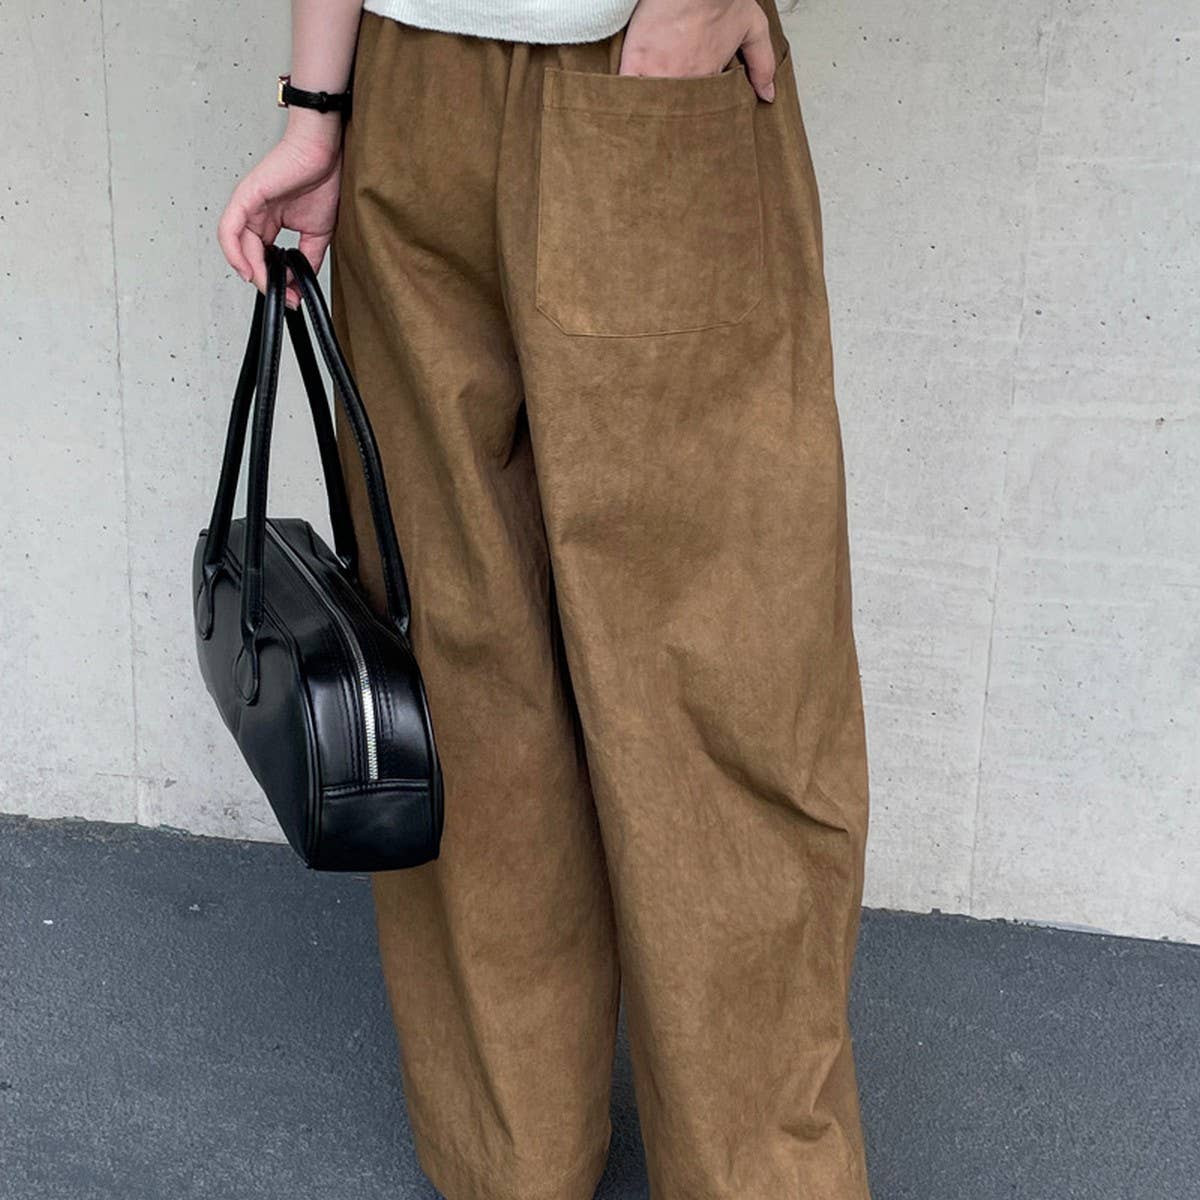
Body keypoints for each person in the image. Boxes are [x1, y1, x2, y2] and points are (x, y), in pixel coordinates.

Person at [217, 1, 873, 1196]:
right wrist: (317, 104)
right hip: (450, 78)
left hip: (547, 67)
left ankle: (523, 1159)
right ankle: (607, 1167)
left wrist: (323, 97)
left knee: (637, 658)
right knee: (521, 662)